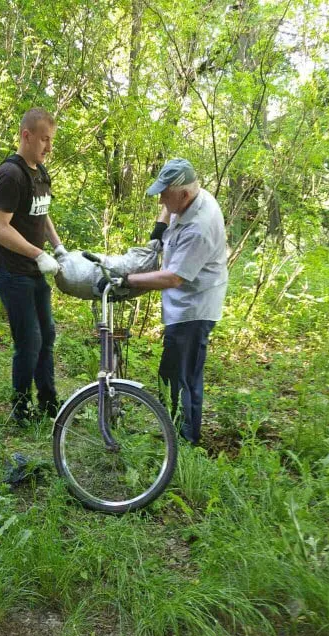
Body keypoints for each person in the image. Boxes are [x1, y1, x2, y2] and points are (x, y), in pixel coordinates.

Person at [97, 158, 228, 446]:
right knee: (180, 372)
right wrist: (157, 234)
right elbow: (166, 209)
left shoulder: (200, 226)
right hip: (184, 303)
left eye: (164, 194)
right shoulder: (187, 199)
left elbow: (173, 278)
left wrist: (126, 280)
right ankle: (178, 431)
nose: (161, 199)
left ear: (183, 194)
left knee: (178, 375)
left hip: (195, 308)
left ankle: (184, 441)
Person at [0, 108, 66, 425]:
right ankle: (20, 408)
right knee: (29, 340)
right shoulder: (10, 175)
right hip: (10, 272)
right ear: (27, 135)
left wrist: (58, 247)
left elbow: (41, 211)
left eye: (51, 140)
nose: (49, 147)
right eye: (45, 140)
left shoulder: (40, 172)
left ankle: (48, 403)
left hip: (34, 271)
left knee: (46, 335)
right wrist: (38, 253)